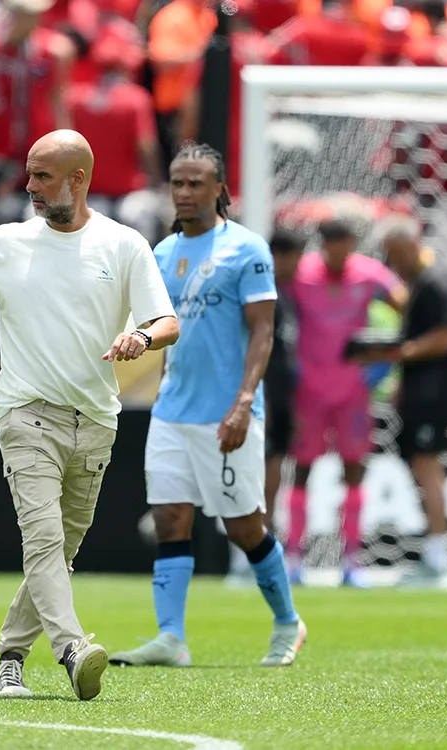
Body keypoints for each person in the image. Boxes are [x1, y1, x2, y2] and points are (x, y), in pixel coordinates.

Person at [0, 129, 179, 701]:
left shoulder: (124, 245)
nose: (29, 187)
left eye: (42, 177)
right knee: (44, 540)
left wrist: (139, 337)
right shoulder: (5, 243)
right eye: (29, 174)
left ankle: (9, 659)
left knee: (60, 552)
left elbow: (167, 322)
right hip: (26, 415)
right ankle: (73, 649)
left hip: (96, 420)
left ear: (78, 179)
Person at [107, 142, 306, 670]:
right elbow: (157, 325)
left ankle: (288, 621)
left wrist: (244, 402)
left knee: (244, 527)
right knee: (171, 519)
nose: (185, 192)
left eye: (196, 183)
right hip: (171, 412)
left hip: (227, 413)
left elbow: (263, 331)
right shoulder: (162, 253)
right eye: (177, 182)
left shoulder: (247, 249)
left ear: (220, 189)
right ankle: (170, 638)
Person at [284, 218, 406, 587]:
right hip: (309, 390)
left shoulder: (371, 275)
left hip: (353, 391)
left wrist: (385, 361)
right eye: (331, 242)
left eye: (344, 241)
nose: (338, 249)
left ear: (353, 241)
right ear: (322, 244)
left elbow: (408, 308)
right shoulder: (301, 275)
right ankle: (293, 557)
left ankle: (352, 560)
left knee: (354, 469)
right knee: (302, 469)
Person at [375, 215, 447, 587]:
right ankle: (434, 550)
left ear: (412, 246)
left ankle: (439, 554)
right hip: (421, 390)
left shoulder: (436, 282)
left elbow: (443, 338)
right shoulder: (421, 285)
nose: (393, 265)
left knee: (428, 467)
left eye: (395, 255)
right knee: (422, 466)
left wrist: (399, 353)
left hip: (434, 390)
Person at [226, 227, 304, 584]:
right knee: (253, 477)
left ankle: (263, 550)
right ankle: (247, 556)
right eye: (293, 258)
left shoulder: (285, 297)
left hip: (282, 402)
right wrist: (259, 398)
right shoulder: (258, 296)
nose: (297, 266)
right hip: (261, 402)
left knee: (271, 478)